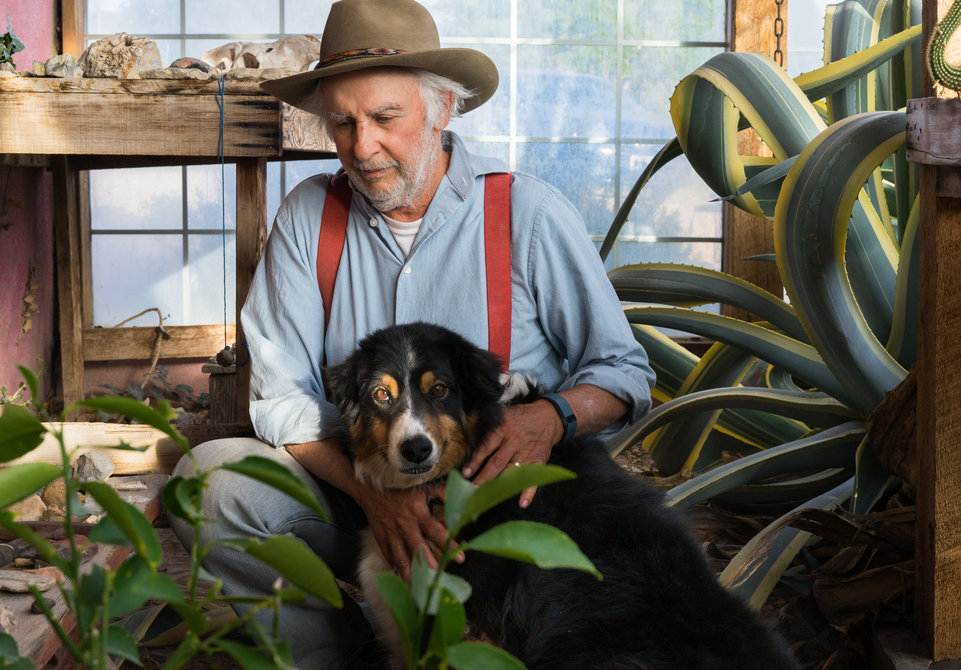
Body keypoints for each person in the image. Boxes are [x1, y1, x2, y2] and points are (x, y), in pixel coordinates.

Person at [168, 0, 655, 667]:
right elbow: (279, 400)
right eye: (342, 122)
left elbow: (623, 372)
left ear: (442, 110)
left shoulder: (528, 215)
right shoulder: (310, 218)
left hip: (500, 522)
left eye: (384, 118)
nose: (361, 146)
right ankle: (336, 653)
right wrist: (372, 493)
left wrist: (552, 417)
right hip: (353, 496)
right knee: (208, 485)